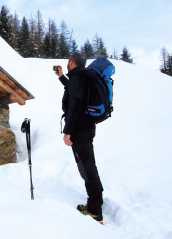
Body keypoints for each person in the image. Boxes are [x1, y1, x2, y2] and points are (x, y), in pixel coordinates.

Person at [56, 53, 104, 224]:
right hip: (87, 127)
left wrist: (68, 131)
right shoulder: (81, 77)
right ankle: (97, 200)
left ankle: (95, 210)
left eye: (67, 64)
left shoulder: (78, 79)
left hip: (80, 131)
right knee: (89, 163)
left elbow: (75, 105)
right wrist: (62, 77)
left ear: (71, 63)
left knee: (86, 167)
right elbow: (75, 92)